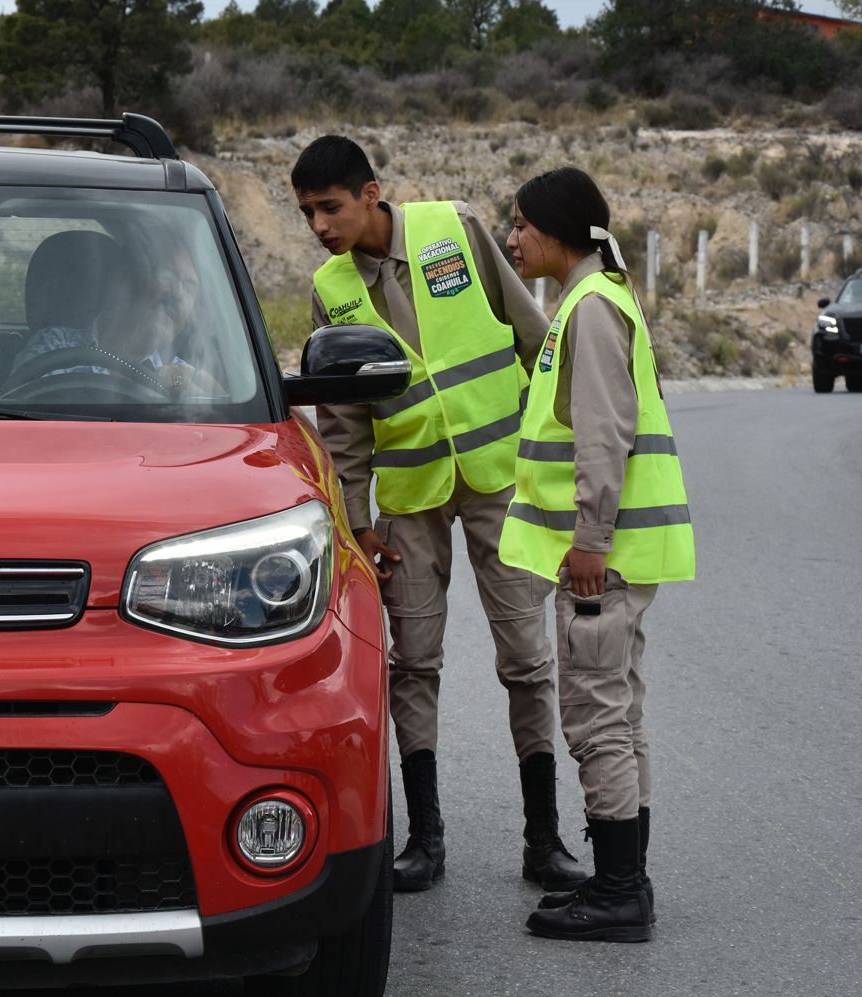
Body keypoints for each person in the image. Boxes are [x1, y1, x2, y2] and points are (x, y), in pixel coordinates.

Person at [292, 134, 587, 894]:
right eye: (306, 215)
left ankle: (544, 839)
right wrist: (355, 521)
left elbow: (534, 339)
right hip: (409, 499)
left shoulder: (452, 227)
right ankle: (424, 838)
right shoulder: (331, 290)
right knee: (412, 663)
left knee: (526, 658)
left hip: (499, 483)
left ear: (371, 193)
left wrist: (558, 462)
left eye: (330, 207)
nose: (321, 226)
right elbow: (345, 424)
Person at [502, 167, 695, 942]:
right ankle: (629, 881)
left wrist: (588, 537)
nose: (511, 238)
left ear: (554, 231)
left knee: (596, 718)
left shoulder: (587, 308)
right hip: (619, 553)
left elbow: (603, 433)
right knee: (621, 712)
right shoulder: (600, 297)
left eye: (519, 225)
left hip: (600, 559)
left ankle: (618, 890)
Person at [9, 235, 221, 398]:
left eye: (190, 287)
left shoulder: (181, 375)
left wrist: (194, 396)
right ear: (124, 280)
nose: (177, 295)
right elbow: (25, 410)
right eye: (167, 276)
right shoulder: (55, 345)